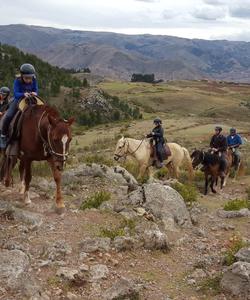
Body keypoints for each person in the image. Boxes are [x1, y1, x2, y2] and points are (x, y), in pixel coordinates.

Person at [0, 64, 38, 148]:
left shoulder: (34, 79)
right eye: (26, 78)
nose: (28, 80)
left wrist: (34, 93)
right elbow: (16, 93)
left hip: (31, 99)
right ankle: (3, 136)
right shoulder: (17, 80)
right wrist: (23, 94)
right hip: (19, 99)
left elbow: (36, 90)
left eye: (30, 78)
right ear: (21, 76)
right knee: (9, 116)